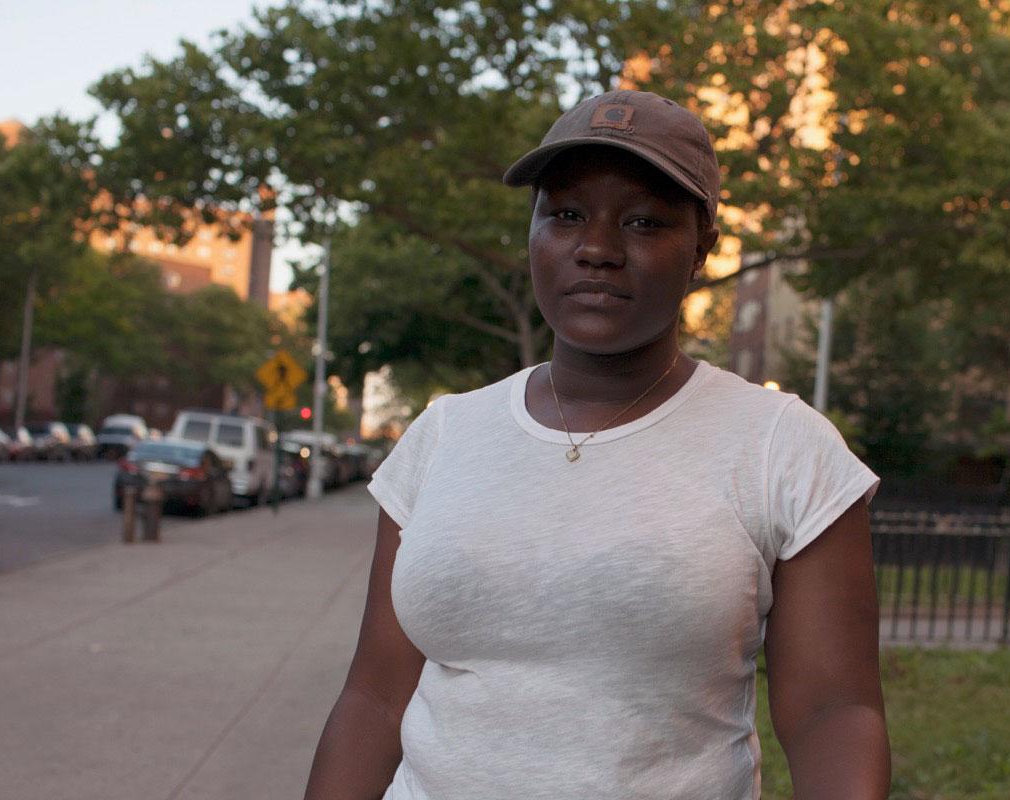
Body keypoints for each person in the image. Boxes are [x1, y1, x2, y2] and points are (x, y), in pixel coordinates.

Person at [304, 89, 889, 800]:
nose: (598, 249)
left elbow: (834, 713)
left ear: (701, 248)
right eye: (567, 214)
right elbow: (375, 697)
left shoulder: (782, 449)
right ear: (533, 233)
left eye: (643, 221)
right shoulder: (443, 436)